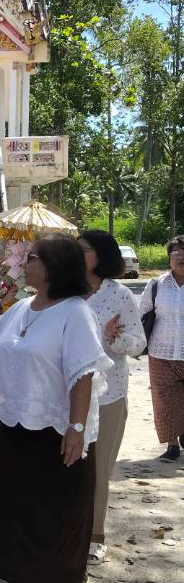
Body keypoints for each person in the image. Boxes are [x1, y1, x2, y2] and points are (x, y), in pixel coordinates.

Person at [0, 235, 110, 583]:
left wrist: (76, 428)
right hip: (15, 419)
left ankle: (64, 572)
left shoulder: (75, 312)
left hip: (58, 424)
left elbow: (83, 373)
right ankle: (10, 575)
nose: (25, 262)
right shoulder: (22, 307)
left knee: (59, 501)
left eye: (33, 257)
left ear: (55, 267)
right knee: (11, 500)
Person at [80, 230, 145, 562]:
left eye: (84, 249)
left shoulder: (119, 295)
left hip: (108, 394)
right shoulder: (66, 291)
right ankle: (68, 532)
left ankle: (95, 535)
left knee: (98, 467)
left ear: (101, 256)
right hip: (66, 393)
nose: (77, 254)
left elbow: (138, 343)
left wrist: (113, 338)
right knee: (68, 467)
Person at [138, 236, 184, 462]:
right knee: (165, 400)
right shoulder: (156, 285)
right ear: (169, 258)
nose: (182, 256)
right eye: (177, 252)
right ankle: (172, 444)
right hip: (161, 353)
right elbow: (141, 313)